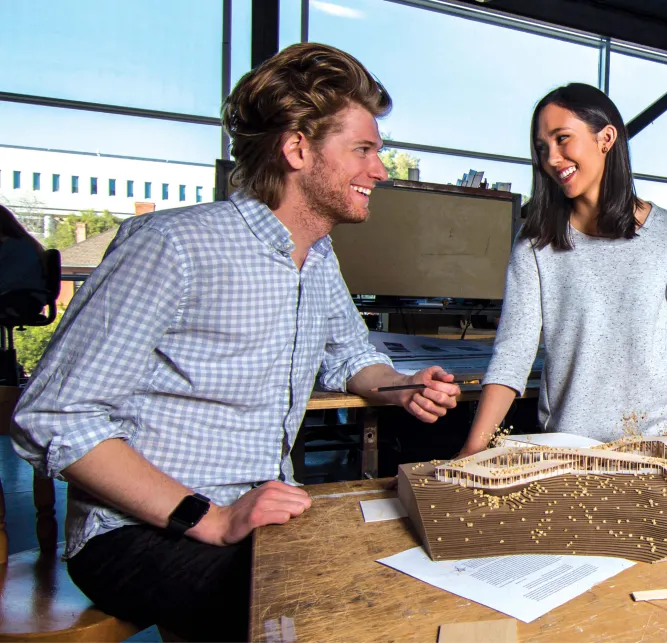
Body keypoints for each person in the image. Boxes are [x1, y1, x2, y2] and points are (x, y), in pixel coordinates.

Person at [11, 43, 461, 641]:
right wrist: (212, 518)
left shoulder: (318, 258)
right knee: (322, 616)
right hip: (143, 530)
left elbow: (350, 355)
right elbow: (56, 415)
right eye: (364, 150)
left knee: (403, 568)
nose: (380, 170)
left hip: (265, 510)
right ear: (297, 148)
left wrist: (401, 387)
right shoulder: (171, 245)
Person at [456, 83, 667, 458]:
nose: (552, 158)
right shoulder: (535, 240)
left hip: (660, 439)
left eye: (562, 139)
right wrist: (473, 448)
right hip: (569, 442)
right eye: (542, 147)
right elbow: (513, 352)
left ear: (605, 138)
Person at [0, 204, 49, 318]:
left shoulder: (16, 247)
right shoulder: (19, 244)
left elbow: (9, 280)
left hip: (23, 300)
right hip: (22, 297)